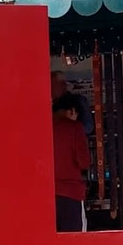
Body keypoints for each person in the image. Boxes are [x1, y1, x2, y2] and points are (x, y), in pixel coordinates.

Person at [53, 93, 91, 232]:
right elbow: (84, 162)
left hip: (45, 196)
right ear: (72, 111)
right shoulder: (75, 127)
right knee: (75, 242)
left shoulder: (43, 128)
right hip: (71, 194)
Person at [51, 71, 93, 135]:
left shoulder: (78, 100)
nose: (64, 86)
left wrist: (70, 122)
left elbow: (87, 128)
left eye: (63, 83)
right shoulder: (42, 103)